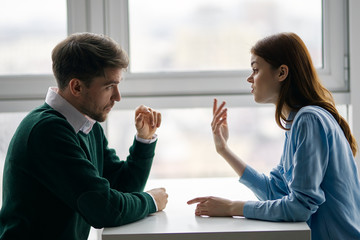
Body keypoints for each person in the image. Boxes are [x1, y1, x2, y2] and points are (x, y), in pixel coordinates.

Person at [187, 32, 360, 239]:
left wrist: (233, 207)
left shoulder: (308, 120)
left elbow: (299, 207)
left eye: (255, 69)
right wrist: (224, 149)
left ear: (281, 73)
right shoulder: (297, 122)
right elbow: (275, 191)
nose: (249, 78)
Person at [0, 32, 168, 239]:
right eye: (109, 87)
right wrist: (151, 201)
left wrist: (144, 140)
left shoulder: (84, 123)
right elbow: (104, 209)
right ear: (77, 87)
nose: (117, 97)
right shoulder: (47, 131)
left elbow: (122, 187)